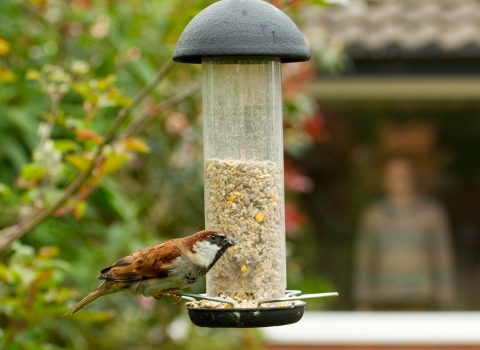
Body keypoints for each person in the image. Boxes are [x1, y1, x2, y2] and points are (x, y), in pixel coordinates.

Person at [353, 157, 455, 311]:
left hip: (421, 297)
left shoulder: (431, 213)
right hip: (383, 297)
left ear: (414, 179)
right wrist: (362, 299)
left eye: (404, 177)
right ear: (384, 180)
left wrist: (445, 296)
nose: (399, 181)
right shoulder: (373, 215)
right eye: (393, 177)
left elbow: (442, 256)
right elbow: (364, 259)